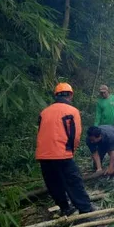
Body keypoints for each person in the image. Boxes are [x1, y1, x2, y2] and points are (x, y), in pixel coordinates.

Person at [35, 83, 93, 216]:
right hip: (62, 154)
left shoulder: (44, 112)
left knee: (53, 183)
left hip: (43, 154)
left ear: (56, 95)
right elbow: (75, 135)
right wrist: (71, 150)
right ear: (71, 95)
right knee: (73, 181)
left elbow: (40, 131)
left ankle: (65, 208)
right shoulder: (72, 111)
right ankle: (85, 209)